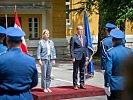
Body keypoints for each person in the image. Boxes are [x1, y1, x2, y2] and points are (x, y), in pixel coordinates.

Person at [0, 27, 38, 100]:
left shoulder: (1, 59)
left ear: (7, 41)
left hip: (5, 96)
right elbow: (34, 82)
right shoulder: (31, 60)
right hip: (25, 96)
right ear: (21, 42)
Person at [104, 29, 133, 100]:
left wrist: (107, 84)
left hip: (115, 85)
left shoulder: (110, 53)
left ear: (113, 40)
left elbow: (108, 71)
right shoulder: (130, 52)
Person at [70, 25, 89, 90]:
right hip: (76, 56)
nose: (81, 31)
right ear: (77, 30)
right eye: (80, 29)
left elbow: (86, 47)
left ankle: (82, 84)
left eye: (82, 29)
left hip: (83, 56)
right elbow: (72, 48)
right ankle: (75, 84)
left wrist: (87, 56)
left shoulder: (84, 37)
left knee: (82, 71)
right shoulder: (73, 38)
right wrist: (73, 57)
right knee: (75, 71)